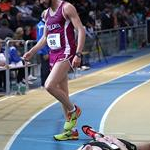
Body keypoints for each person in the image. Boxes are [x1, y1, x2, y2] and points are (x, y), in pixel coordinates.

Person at [23, 0, 85, 140]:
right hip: (54, 54)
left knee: (49, 85)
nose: (41, 1)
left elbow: (80, 29)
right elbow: (45, 37)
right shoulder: (46, 14)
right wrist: (31, 52)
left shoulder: (67, 8)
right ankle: (72, 131)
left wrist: (78, 53)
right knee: (63, 94)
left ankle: (74, 110)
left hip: (67, 52)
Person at [78, 125, 150, 150]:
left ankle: (96, 135)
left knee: (99, 139)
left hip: (101, 144)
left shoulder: (88, 147)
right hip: (115, 145)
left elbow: (88, 147)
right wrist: (116, 141)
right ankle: (96, 135)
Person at [36, 10, 50, 88]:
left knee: (46, 67)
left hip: (47, 50)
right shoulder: (41, 26)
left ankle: (45, 83)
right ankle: (44, 83)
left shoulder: (44, 24)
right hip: (44, 51)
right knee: (45, 68)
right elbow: (41, 39)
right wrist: (45, 52)